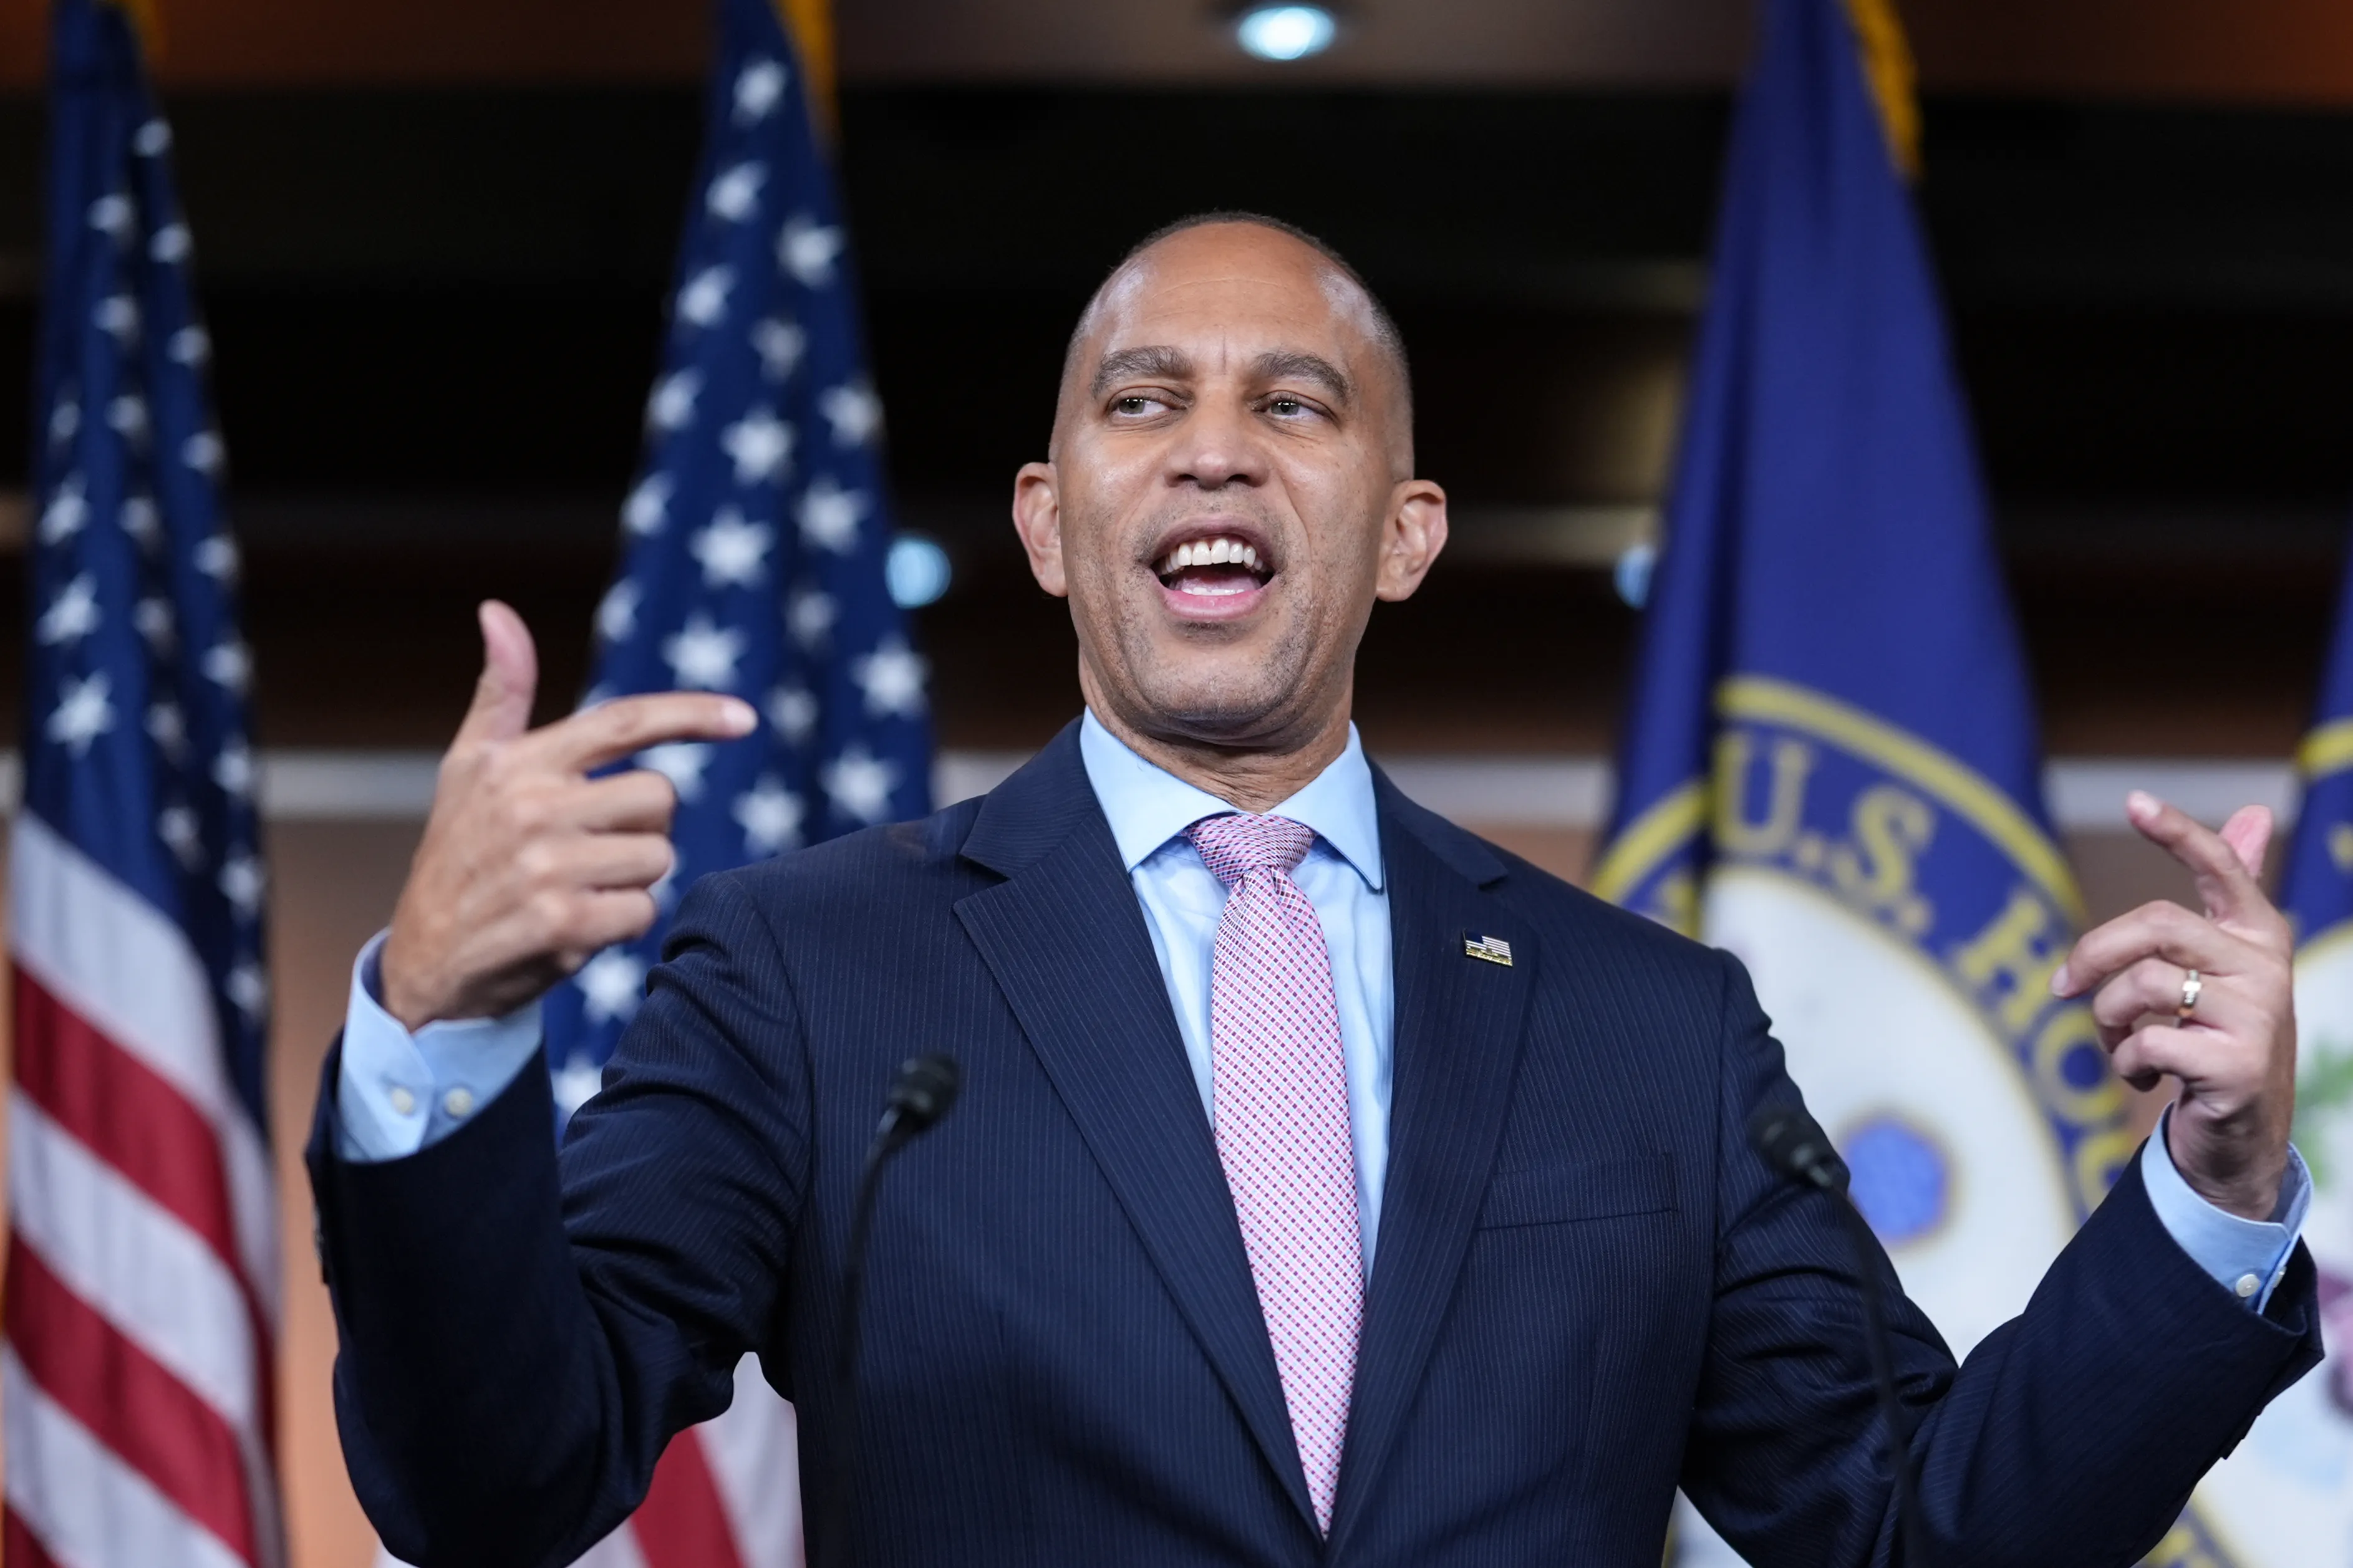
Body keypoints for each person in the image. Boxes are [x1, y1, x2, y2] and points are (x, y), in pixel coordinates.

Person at [310, 214, 2319, 1568]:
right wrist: (435, 1031)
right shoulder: (812, 969)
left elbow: (1918, 1529)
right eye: (1141, 401)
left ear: (1404, 534)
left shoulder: (1651, 1028)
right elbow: (498, 1485)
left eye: (1292, 404)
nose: (1213, 453)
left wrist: (2212, 1189)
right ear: (1048, 524)